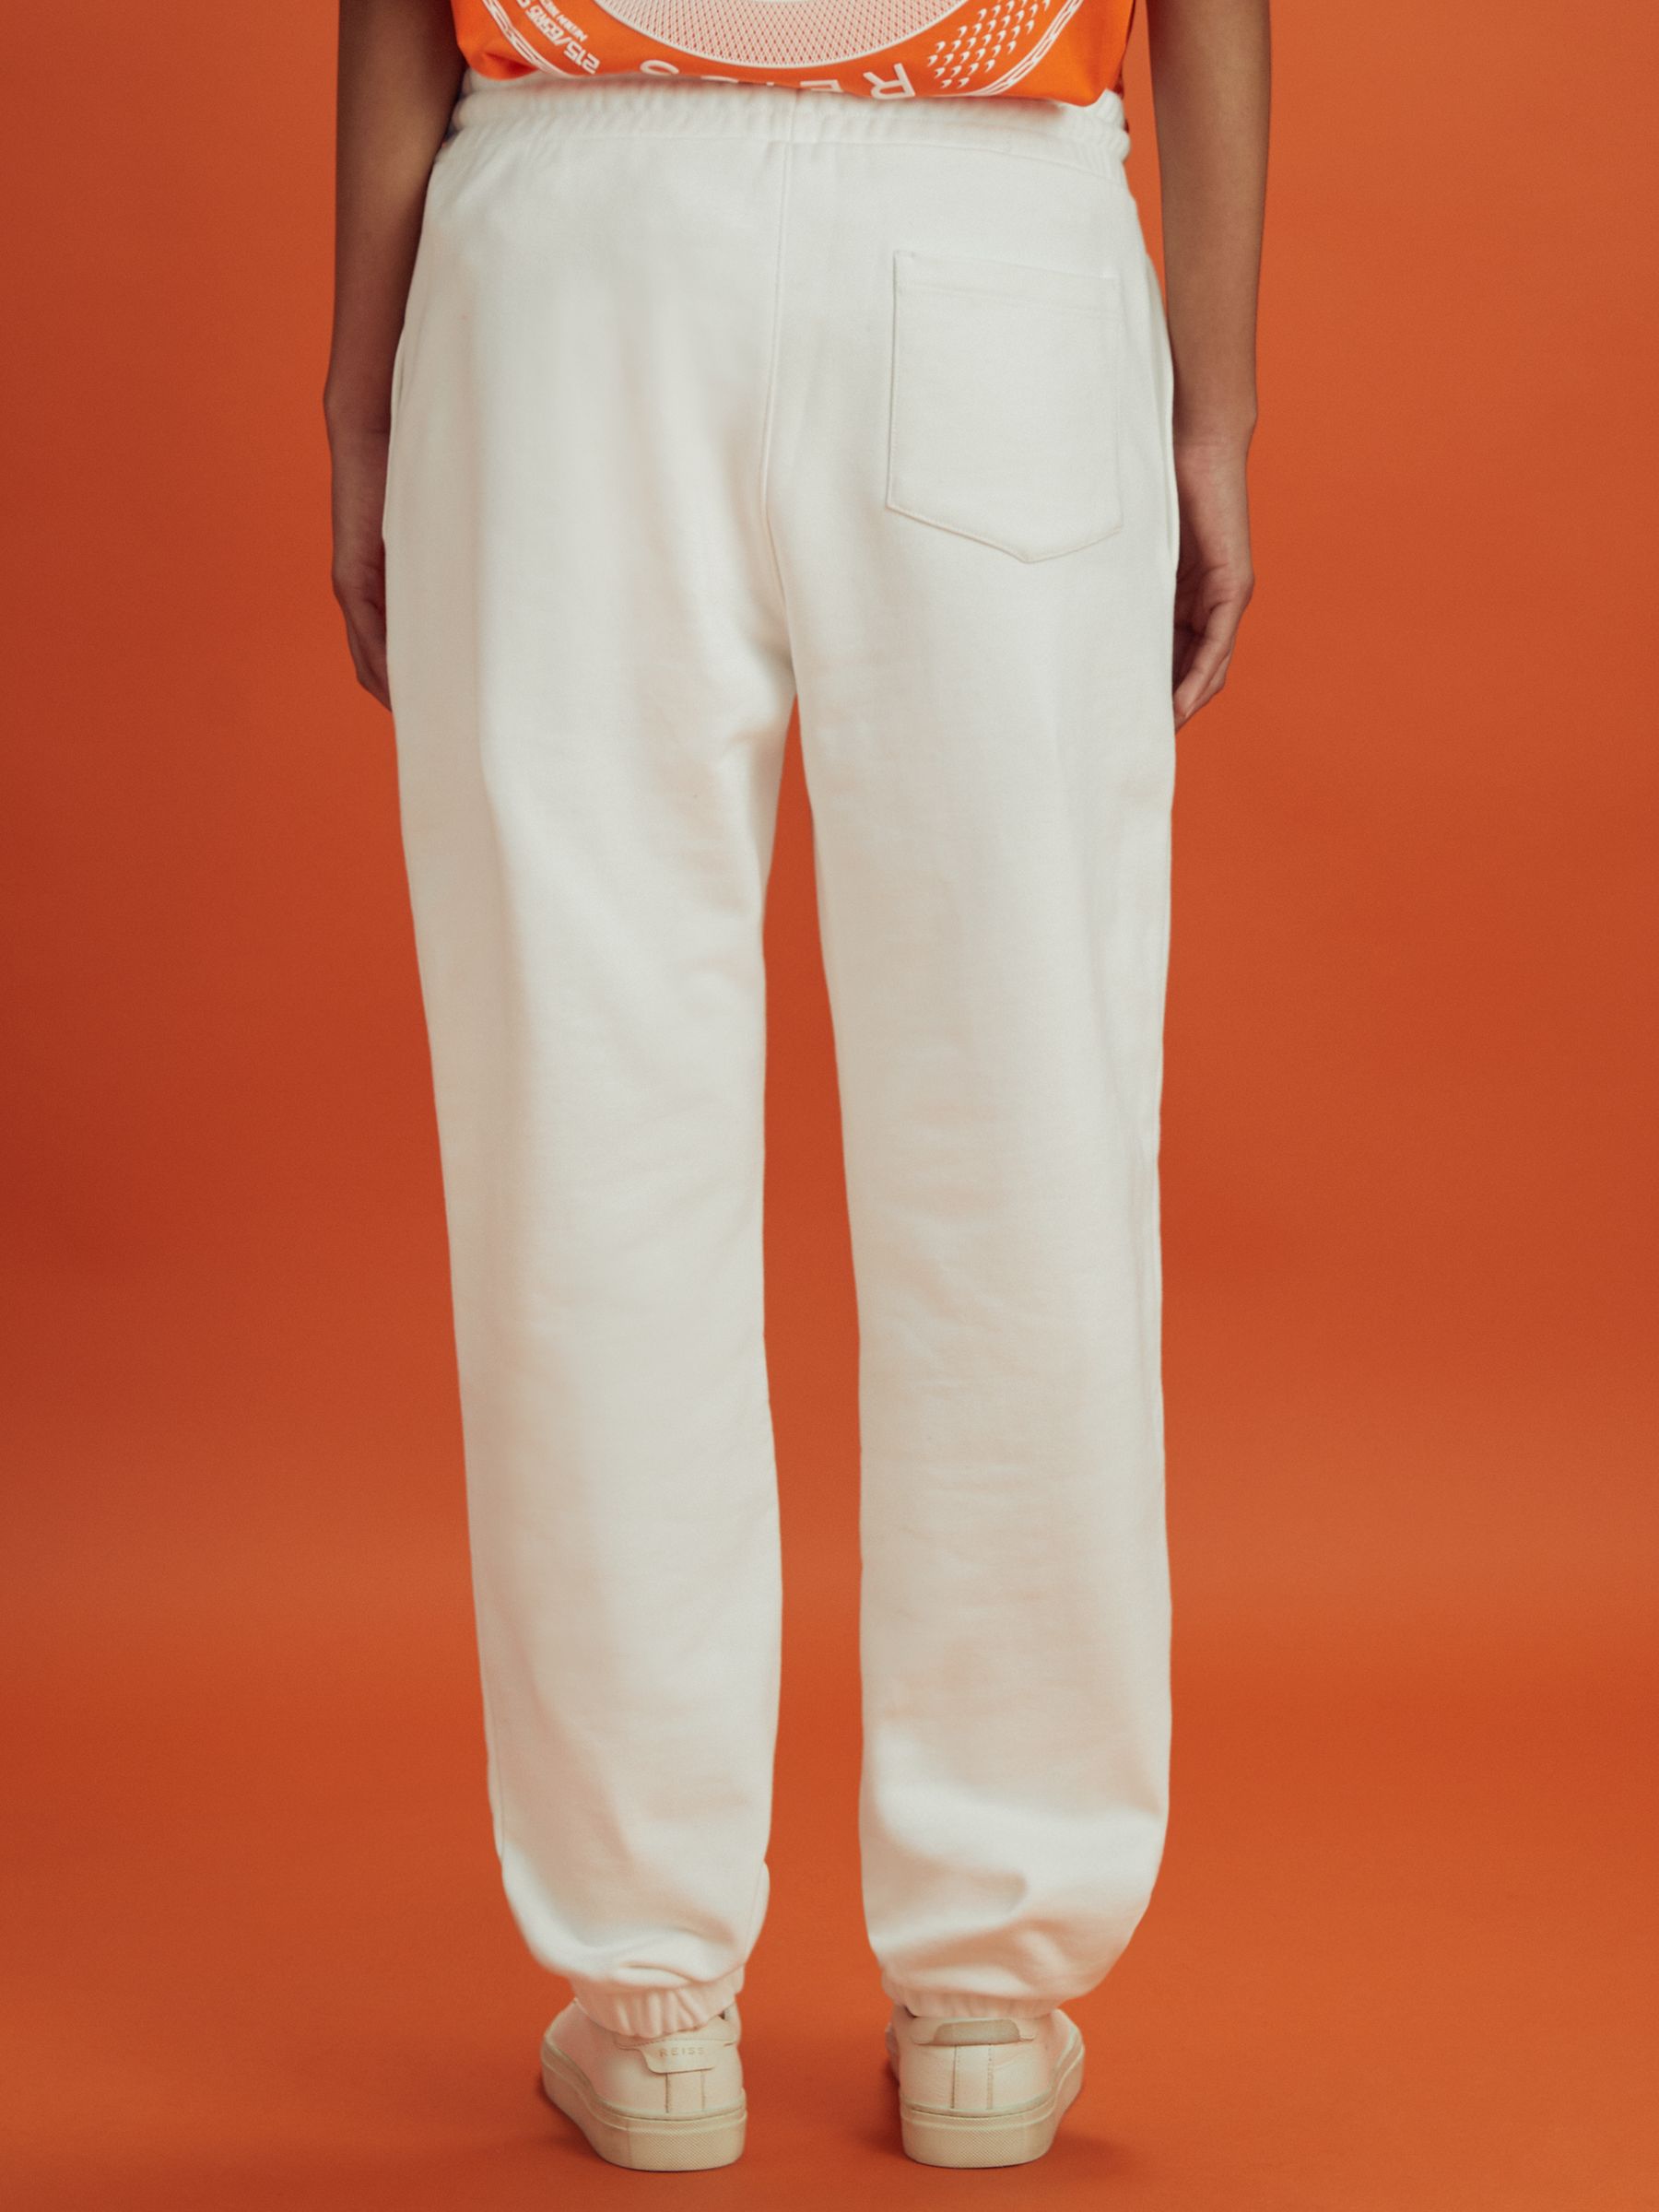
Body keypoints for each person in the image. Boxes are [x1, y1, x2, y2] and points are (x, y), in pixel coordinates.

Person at [326, 0, 1266, 2172]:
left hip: (570, 253)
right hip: (990, 234)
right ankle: (989, 1998)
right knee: (1026, 1127)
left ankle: (648, 1996)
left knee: (585, 1132)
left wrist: (364, 390)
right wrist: (1212, 398)